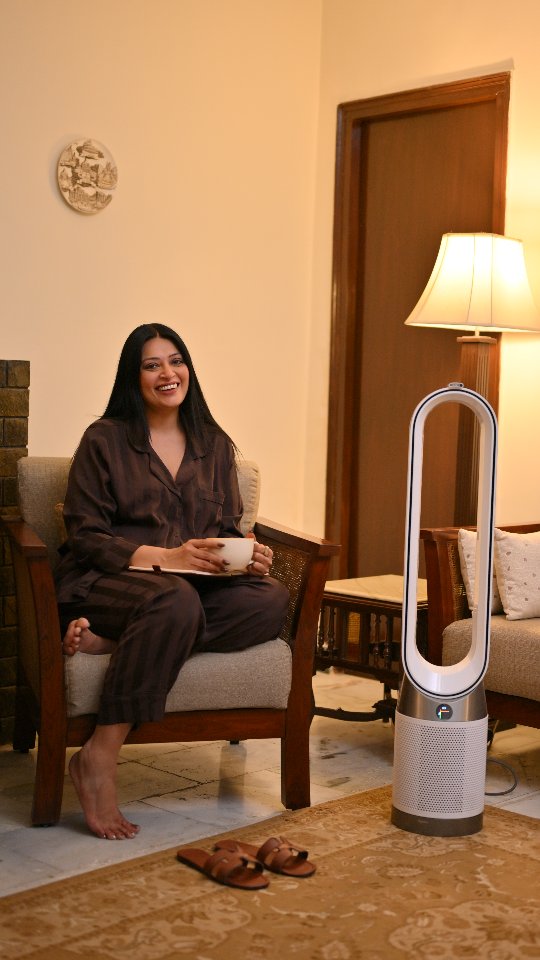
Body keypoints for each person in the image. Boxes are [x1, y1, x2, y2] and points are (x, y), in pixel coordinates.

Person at [55, 323, 289, 841]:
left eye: (176, 360)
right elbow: (86, 536)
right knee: (175, 601)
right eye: (152, 364)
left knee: (270, 600)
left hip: (186, 593)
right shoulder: (104, 439)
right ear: (133, 376)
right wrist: (165, 557)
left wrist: (246, 557)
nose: (168, 372)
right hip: (108, 580)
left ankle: (114, 642)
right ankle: (99, 753)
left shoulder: (215, 445)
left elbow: (225, 531)